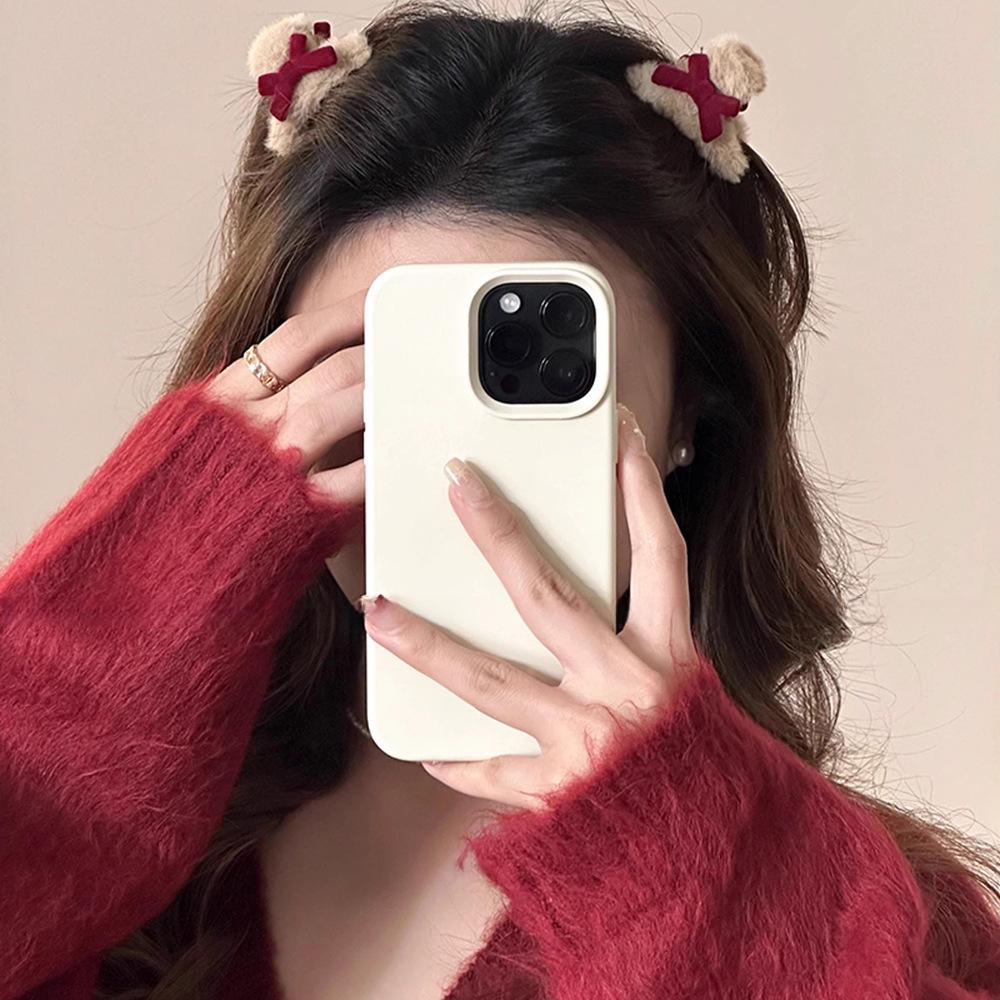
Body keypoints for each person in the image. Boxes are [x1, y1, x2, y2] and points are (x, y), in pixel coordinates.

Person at [2, 4, 998, 999]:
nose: (461, 486)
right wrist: (103, 639)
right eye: (386, 382)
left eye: (542, 392)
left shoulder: (875, 929)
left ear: (688, 420)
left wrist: (696, 871)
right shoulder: (126, 890)